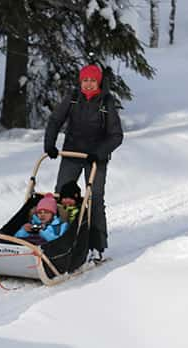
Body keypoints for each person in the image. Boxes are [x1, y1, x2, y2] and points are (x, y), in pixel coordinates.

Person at [43, 64, 123, 262]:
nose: (88, 84)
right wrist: (50, 145)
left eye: (92, 81)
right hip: (72, 153)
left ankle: (97, 246)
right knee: (61, 195)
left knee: (94, 198)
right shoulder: (73, 97)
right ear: (80, 82)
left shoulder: (106, 101)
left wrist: (99, 152)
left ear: (99, 82)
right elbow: (55, 120)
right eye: (85, 80)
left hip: (95, 159)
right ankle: (57, 240)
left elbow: (116, 136)